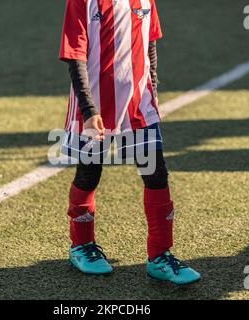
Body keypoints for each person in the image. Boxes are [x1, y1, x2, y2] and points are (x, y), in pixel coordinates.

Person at [59, 0, 201, 285]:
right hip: (96, 103)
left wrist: (154, 90)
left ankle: (160, 256)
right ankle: (81, 246)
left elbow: (150, 45)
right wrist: (88, 109)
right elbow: (75, 53)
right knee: (89, 172)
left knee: (156, 173)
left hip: (139, 102)